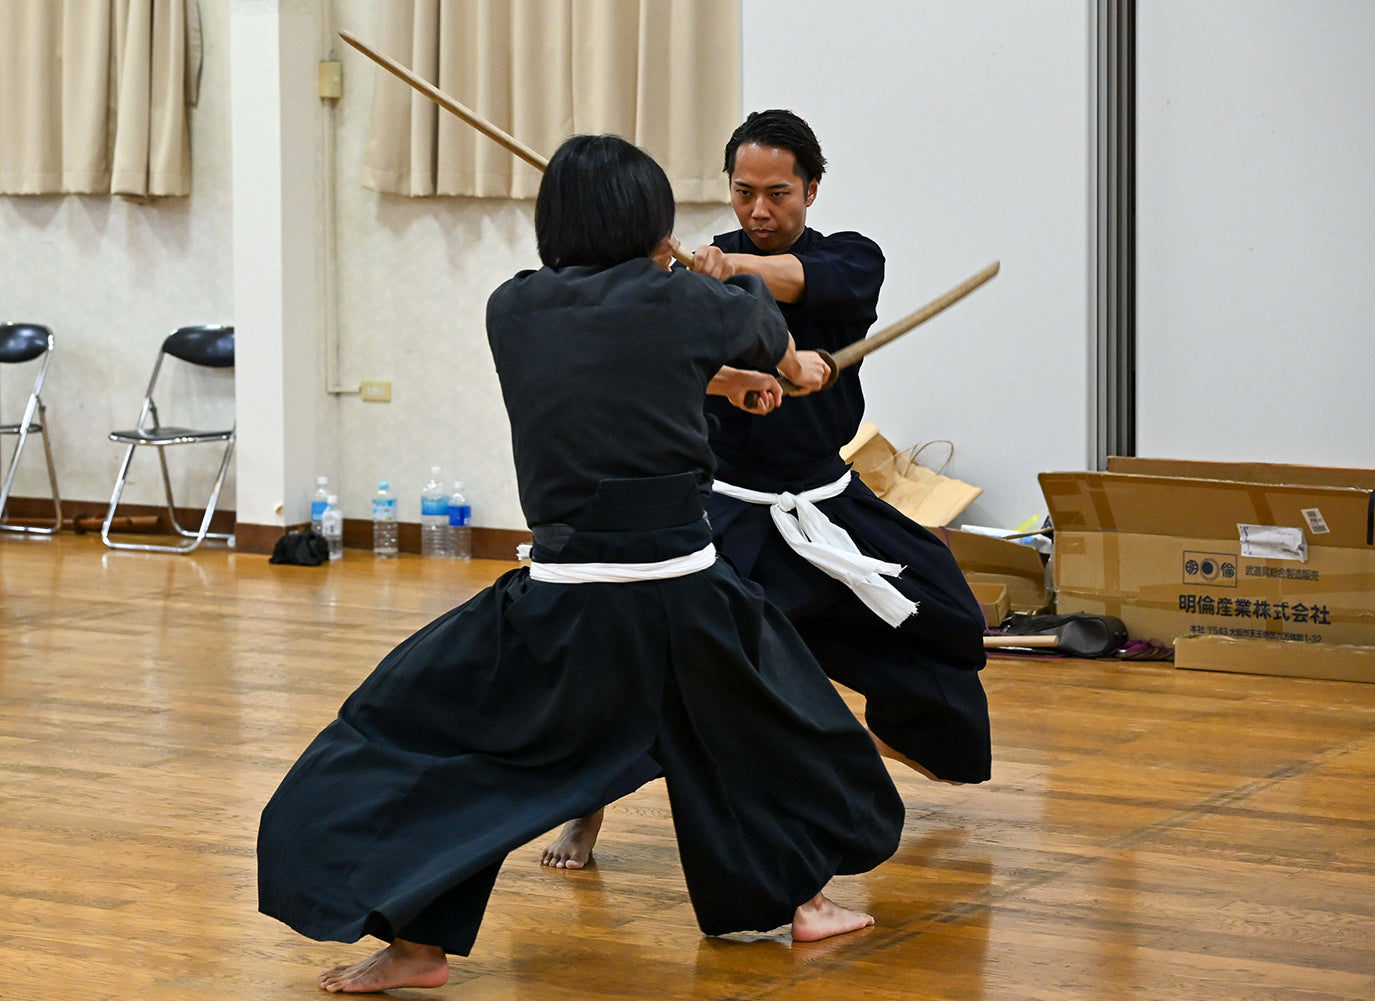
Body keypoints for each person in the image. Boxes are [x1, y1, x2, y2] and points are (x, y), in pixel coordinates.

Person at [257, 134, 905, 994]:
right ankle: (805, 901)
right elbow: (764, 328)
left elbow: (618, 358)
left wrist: (719, 378)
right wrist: (789, 367)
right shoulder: (694, 305)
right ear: (654, 224)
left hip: (562, 602)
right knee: (777, 737)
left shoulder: (513, 307)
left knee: (418, 735)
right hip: (685, 597)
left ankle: (417, 948)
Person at [542, 110, 990, 872]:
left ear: (811, 189)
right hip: (727, 512)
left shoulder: (849, 259)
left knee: (947, 616)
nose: (758, 210)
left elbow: (808, 283)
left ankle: (886, 738)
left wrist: (736, 270)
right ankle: (585, 808)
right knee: (663, 664)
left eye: (778, 192)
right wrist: (715, 309)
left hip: (828, 503)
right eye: (744, 191)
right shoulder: (688, 274)